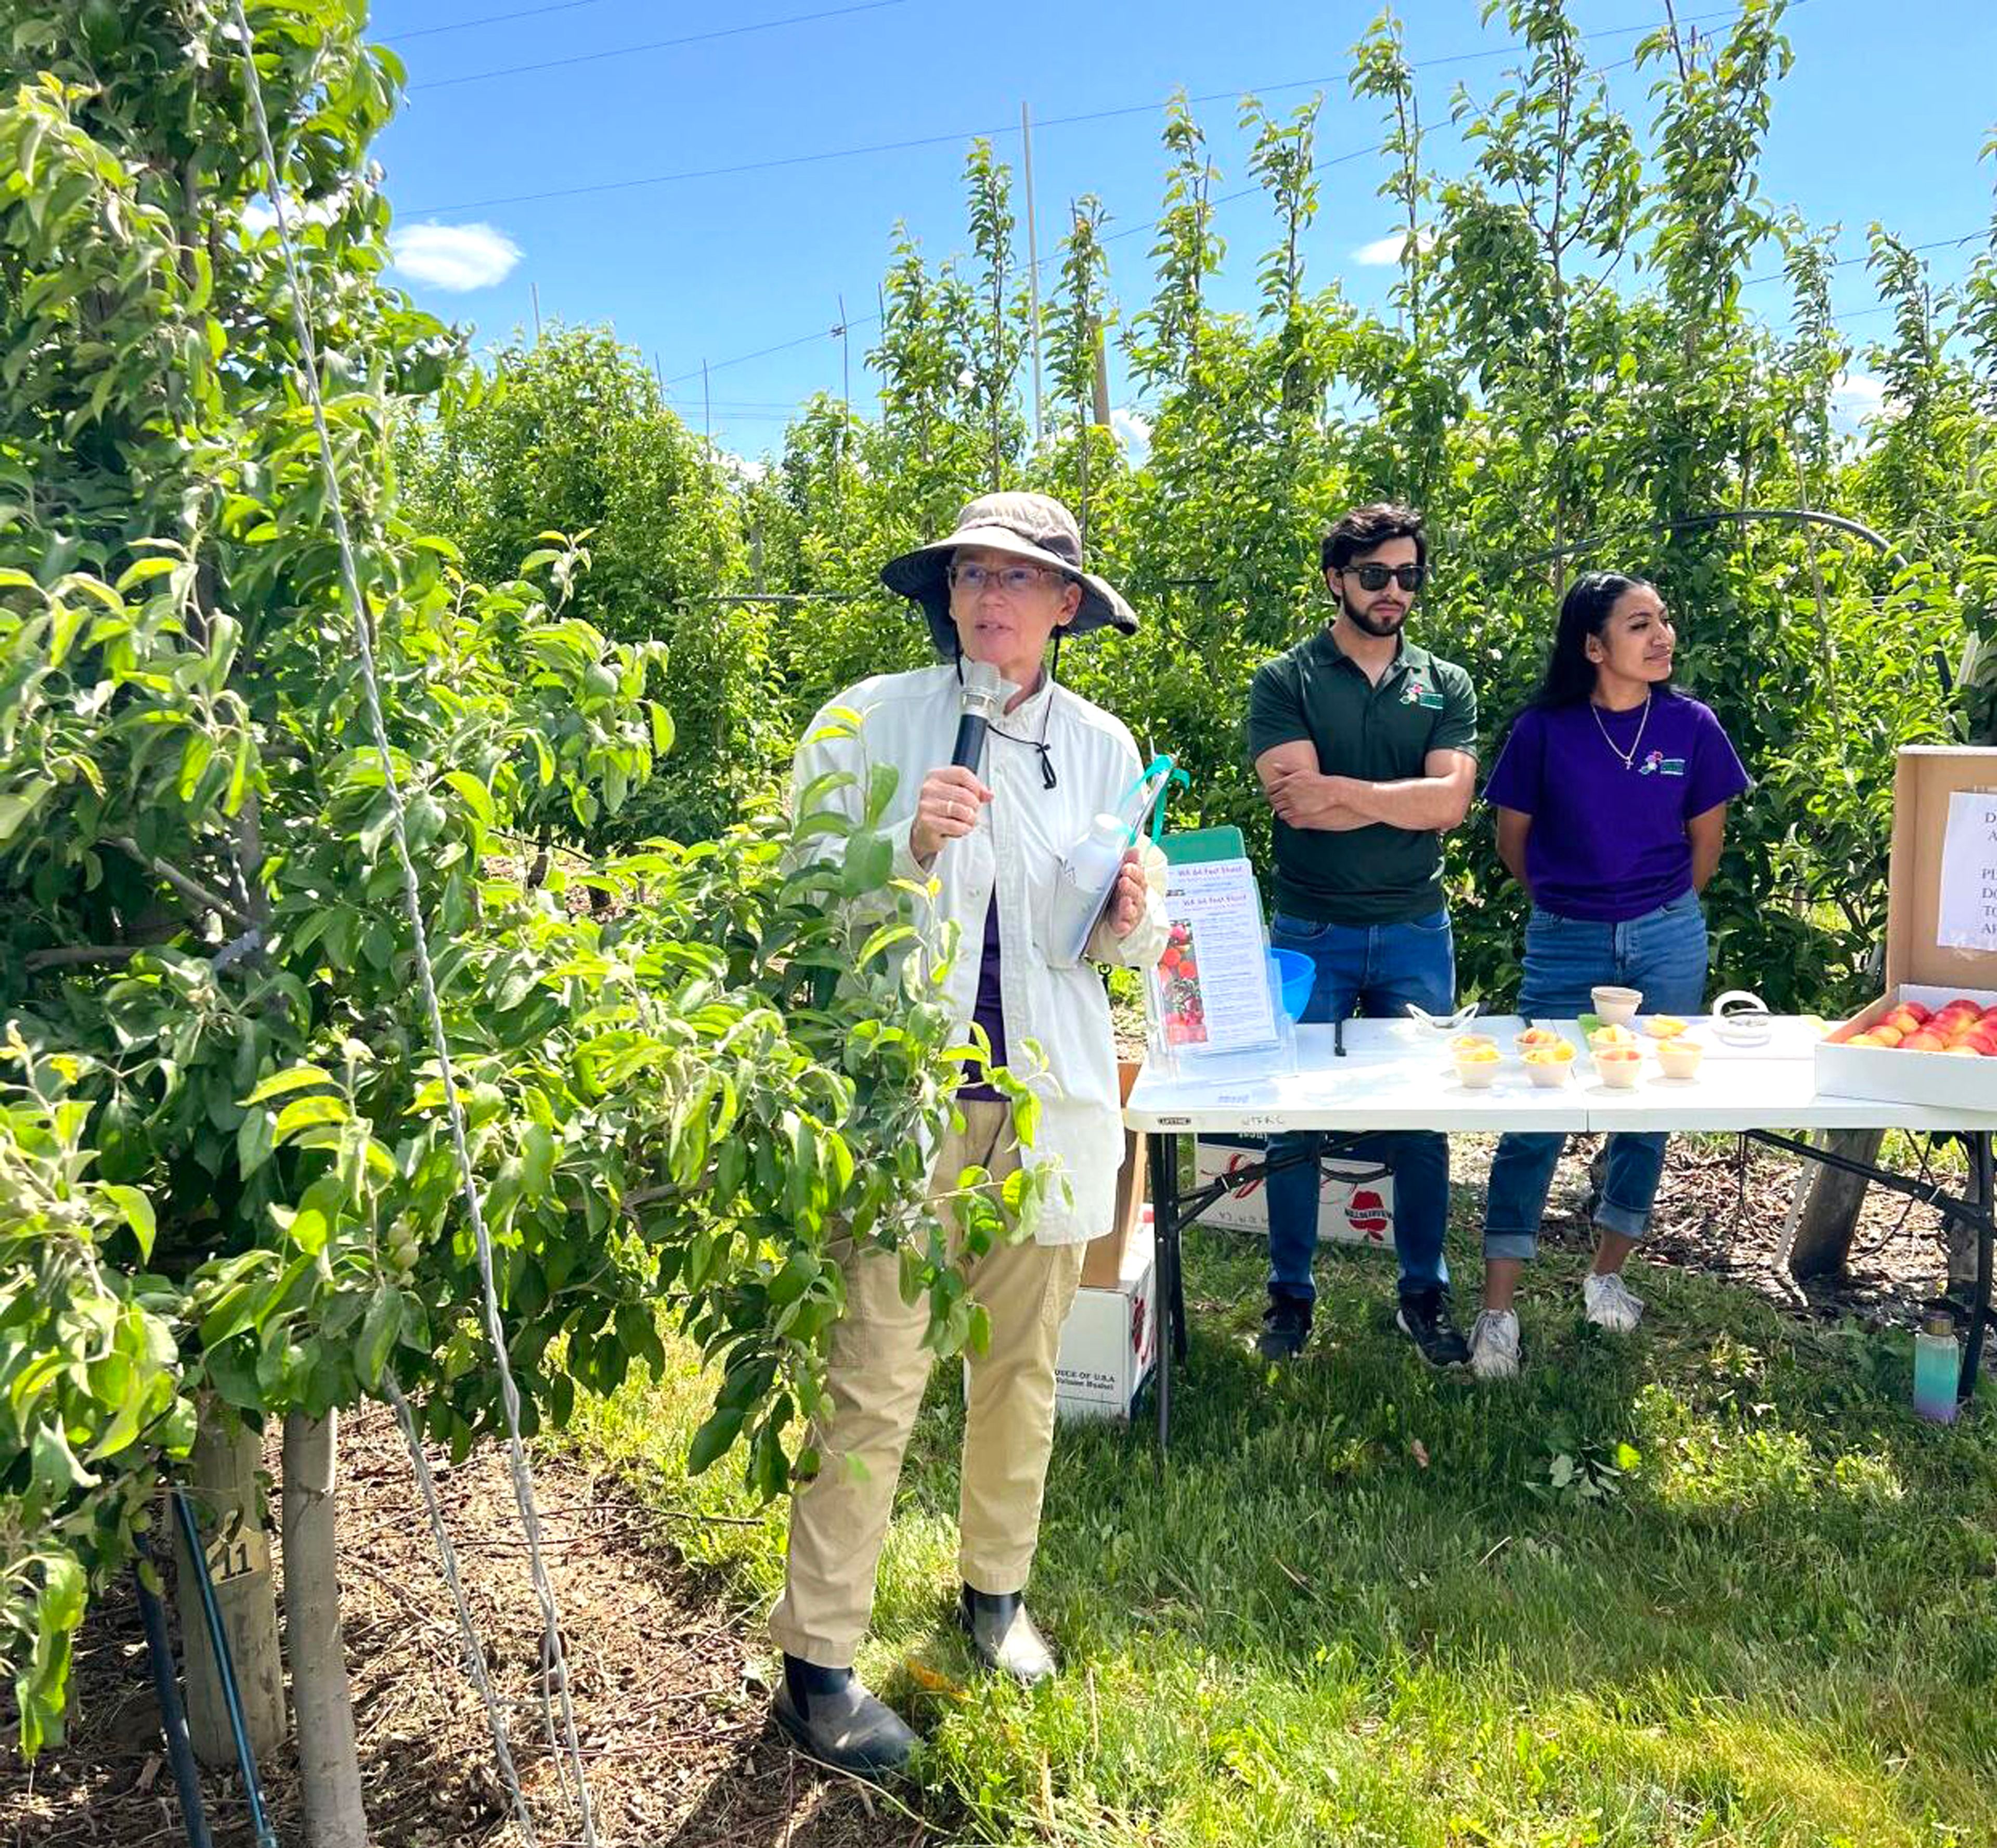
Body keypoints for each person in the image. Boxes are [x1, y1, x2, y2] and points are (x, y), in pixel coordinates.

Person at [768, 493, 1167, 1777]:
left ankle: (995, 1599)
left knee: (1022, 1367)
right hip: (907, 1099)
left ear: (1067, 606)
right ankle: (820, 1666)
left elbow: (1108, 947)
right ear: (947, 594)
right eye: (973, 574)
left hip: (1046, 1103)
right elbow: (796, 899)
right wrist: (901, 843)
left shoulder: (1104, 747)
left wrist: (1130, 910)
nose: (992, 597)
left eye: (1023, 578)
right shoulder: (866, 720)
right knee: (874, 1372)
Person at [1468, 571, 1750, 1380]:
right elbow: (1512, 841)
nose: (1661, 635)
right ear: (1594, 646)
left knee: (1647, 1111)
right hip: (1566, 942)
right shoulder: (1544, 732)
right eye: (1639, 624)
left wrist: (1651, 913)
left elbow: (1707, 843)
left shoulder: (1691, 727)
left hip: (1667, 938)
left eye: (1662, 619)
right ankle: (1497, 1314)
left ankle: (1607, 1277)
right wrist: (1574, 907)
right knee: (1535, 1115)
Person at [1246, 503, 1479, 1364]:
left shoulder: (1444, 683)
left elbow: (1449, 805)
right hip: (1310, 930)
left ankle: (1424, 1292)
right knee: (1292, 1117)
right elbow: (1294, 804)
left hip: (1416, 928)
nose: (1394, 591)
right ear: (1336, 578)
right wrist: (1401, 802)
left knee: (1422, 1119)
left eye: (1409, 575)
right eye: (1375, 574)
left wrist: (1344, 794)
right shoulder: (1285, 680)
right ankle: (1290, 1298)